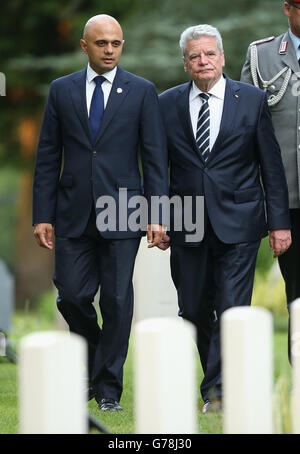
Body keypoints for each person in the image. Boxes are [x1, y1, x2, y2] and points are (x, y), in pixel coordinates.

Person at [32, 14, 168, 411]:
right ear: (84, 45)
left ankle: (108, 390)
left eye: (116, 43)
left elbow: (155, 159)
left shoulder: (141, 91)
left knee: (117, 301)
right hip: (71, 213)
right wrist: (43, 214)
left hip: (125, 212)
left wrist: (156, 214)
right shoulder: (62, 90)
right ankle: (95, 360)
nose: (110, 50)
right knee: (72, 296)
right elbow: (47, 156)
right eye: (102, 43)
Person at [158, 24, 291, 413]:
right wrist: (157, 217)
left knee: (232, 307)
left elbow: (271, 165)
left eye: (209, 54)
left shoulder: (250, 99)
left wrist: (279, 222)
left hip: (241, 221)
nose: (203, 61)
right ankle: (218, 383)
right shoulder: (165, 103)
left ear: (222, 58)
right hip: (187, 222)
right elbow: (155, 166)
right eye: (195, 56)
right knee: (194, 309)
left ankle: (218, 392)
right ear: (185, 64)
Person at [241, 0, 300, 360]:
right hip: (287, 199)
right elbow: (245, 129)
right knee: (297, 291)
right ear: (288, 8)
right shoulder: (262, 56)